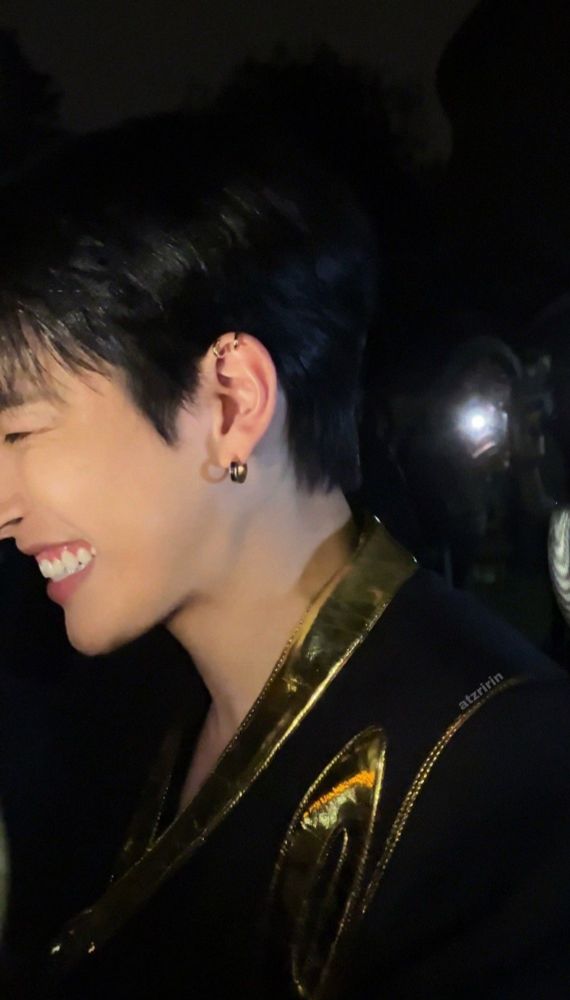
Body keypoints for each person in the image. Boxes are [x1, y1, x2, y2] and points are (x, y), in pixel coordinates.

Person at [0, 113, 569, 999]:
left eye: (20, 433)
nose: (3, 506)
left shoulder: (499, 776)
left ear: (233, 401)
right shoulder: (125, 703)